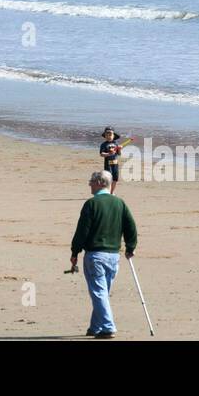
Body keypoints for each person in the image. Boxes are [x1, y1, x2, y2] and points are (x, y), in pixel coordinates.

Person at [69, 170, 137, 338]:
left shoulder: (92, 204)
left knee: (99, 293)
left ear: (100, 182)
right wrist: (130, 246)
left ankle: (108, 327)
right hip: (114, 256)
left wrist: (75, 251)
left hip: (96, 255)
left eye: (92, 181)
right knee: (102, 292)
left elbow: (82, 231)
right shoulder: (119, 203)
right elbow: (131, 227)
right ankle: (95, 327)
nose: (89, 184)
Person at [99, 127, 125, 193]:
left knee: (115, 179)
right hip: (108, 164)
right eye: (107, 135)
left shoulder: (116, 144)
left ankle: (111, 192)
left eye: (110, 134)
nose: (108, 136)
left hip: (115, 164)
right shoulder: (103, 144)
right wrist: (108, 154)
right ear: (105, 136)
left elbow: (119, 154)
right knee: (108, 179)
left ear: (114, 136)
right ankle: (107, 191)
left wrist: (119, 149)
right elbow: (101, 154)